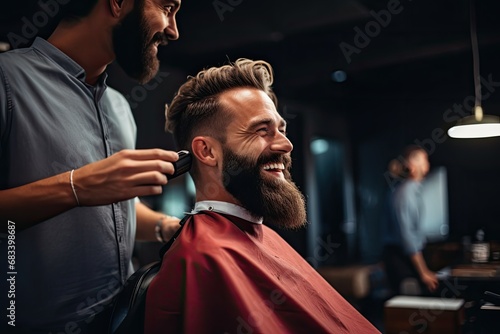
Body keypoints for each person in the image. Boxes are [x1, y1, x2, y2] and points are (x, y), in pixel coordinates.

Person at [144, 59, 380, 333]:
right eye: (261, 131)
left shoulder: (252, 232)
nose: (286, 144)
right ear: (208, 152)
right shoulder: (204, 258)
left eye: (281, 129)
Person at [0, 0, 183, 332]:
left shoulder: (119, 105)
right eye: (168, 7)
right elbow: (88, 190)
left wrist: (167, 227)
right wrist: (76, 187)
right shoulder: (5, 80)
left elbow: (118, 211)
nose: (173, 29)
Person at [382, 145, 439, 296]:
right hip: (401, 260)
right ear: (412, 164)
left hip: (406, 257)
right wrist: (423, 272)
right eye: (423, 159)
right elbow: (407, 237)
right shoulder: (405, 193)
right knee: (408, 308)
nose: (427, 162)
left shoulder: (411, 190)